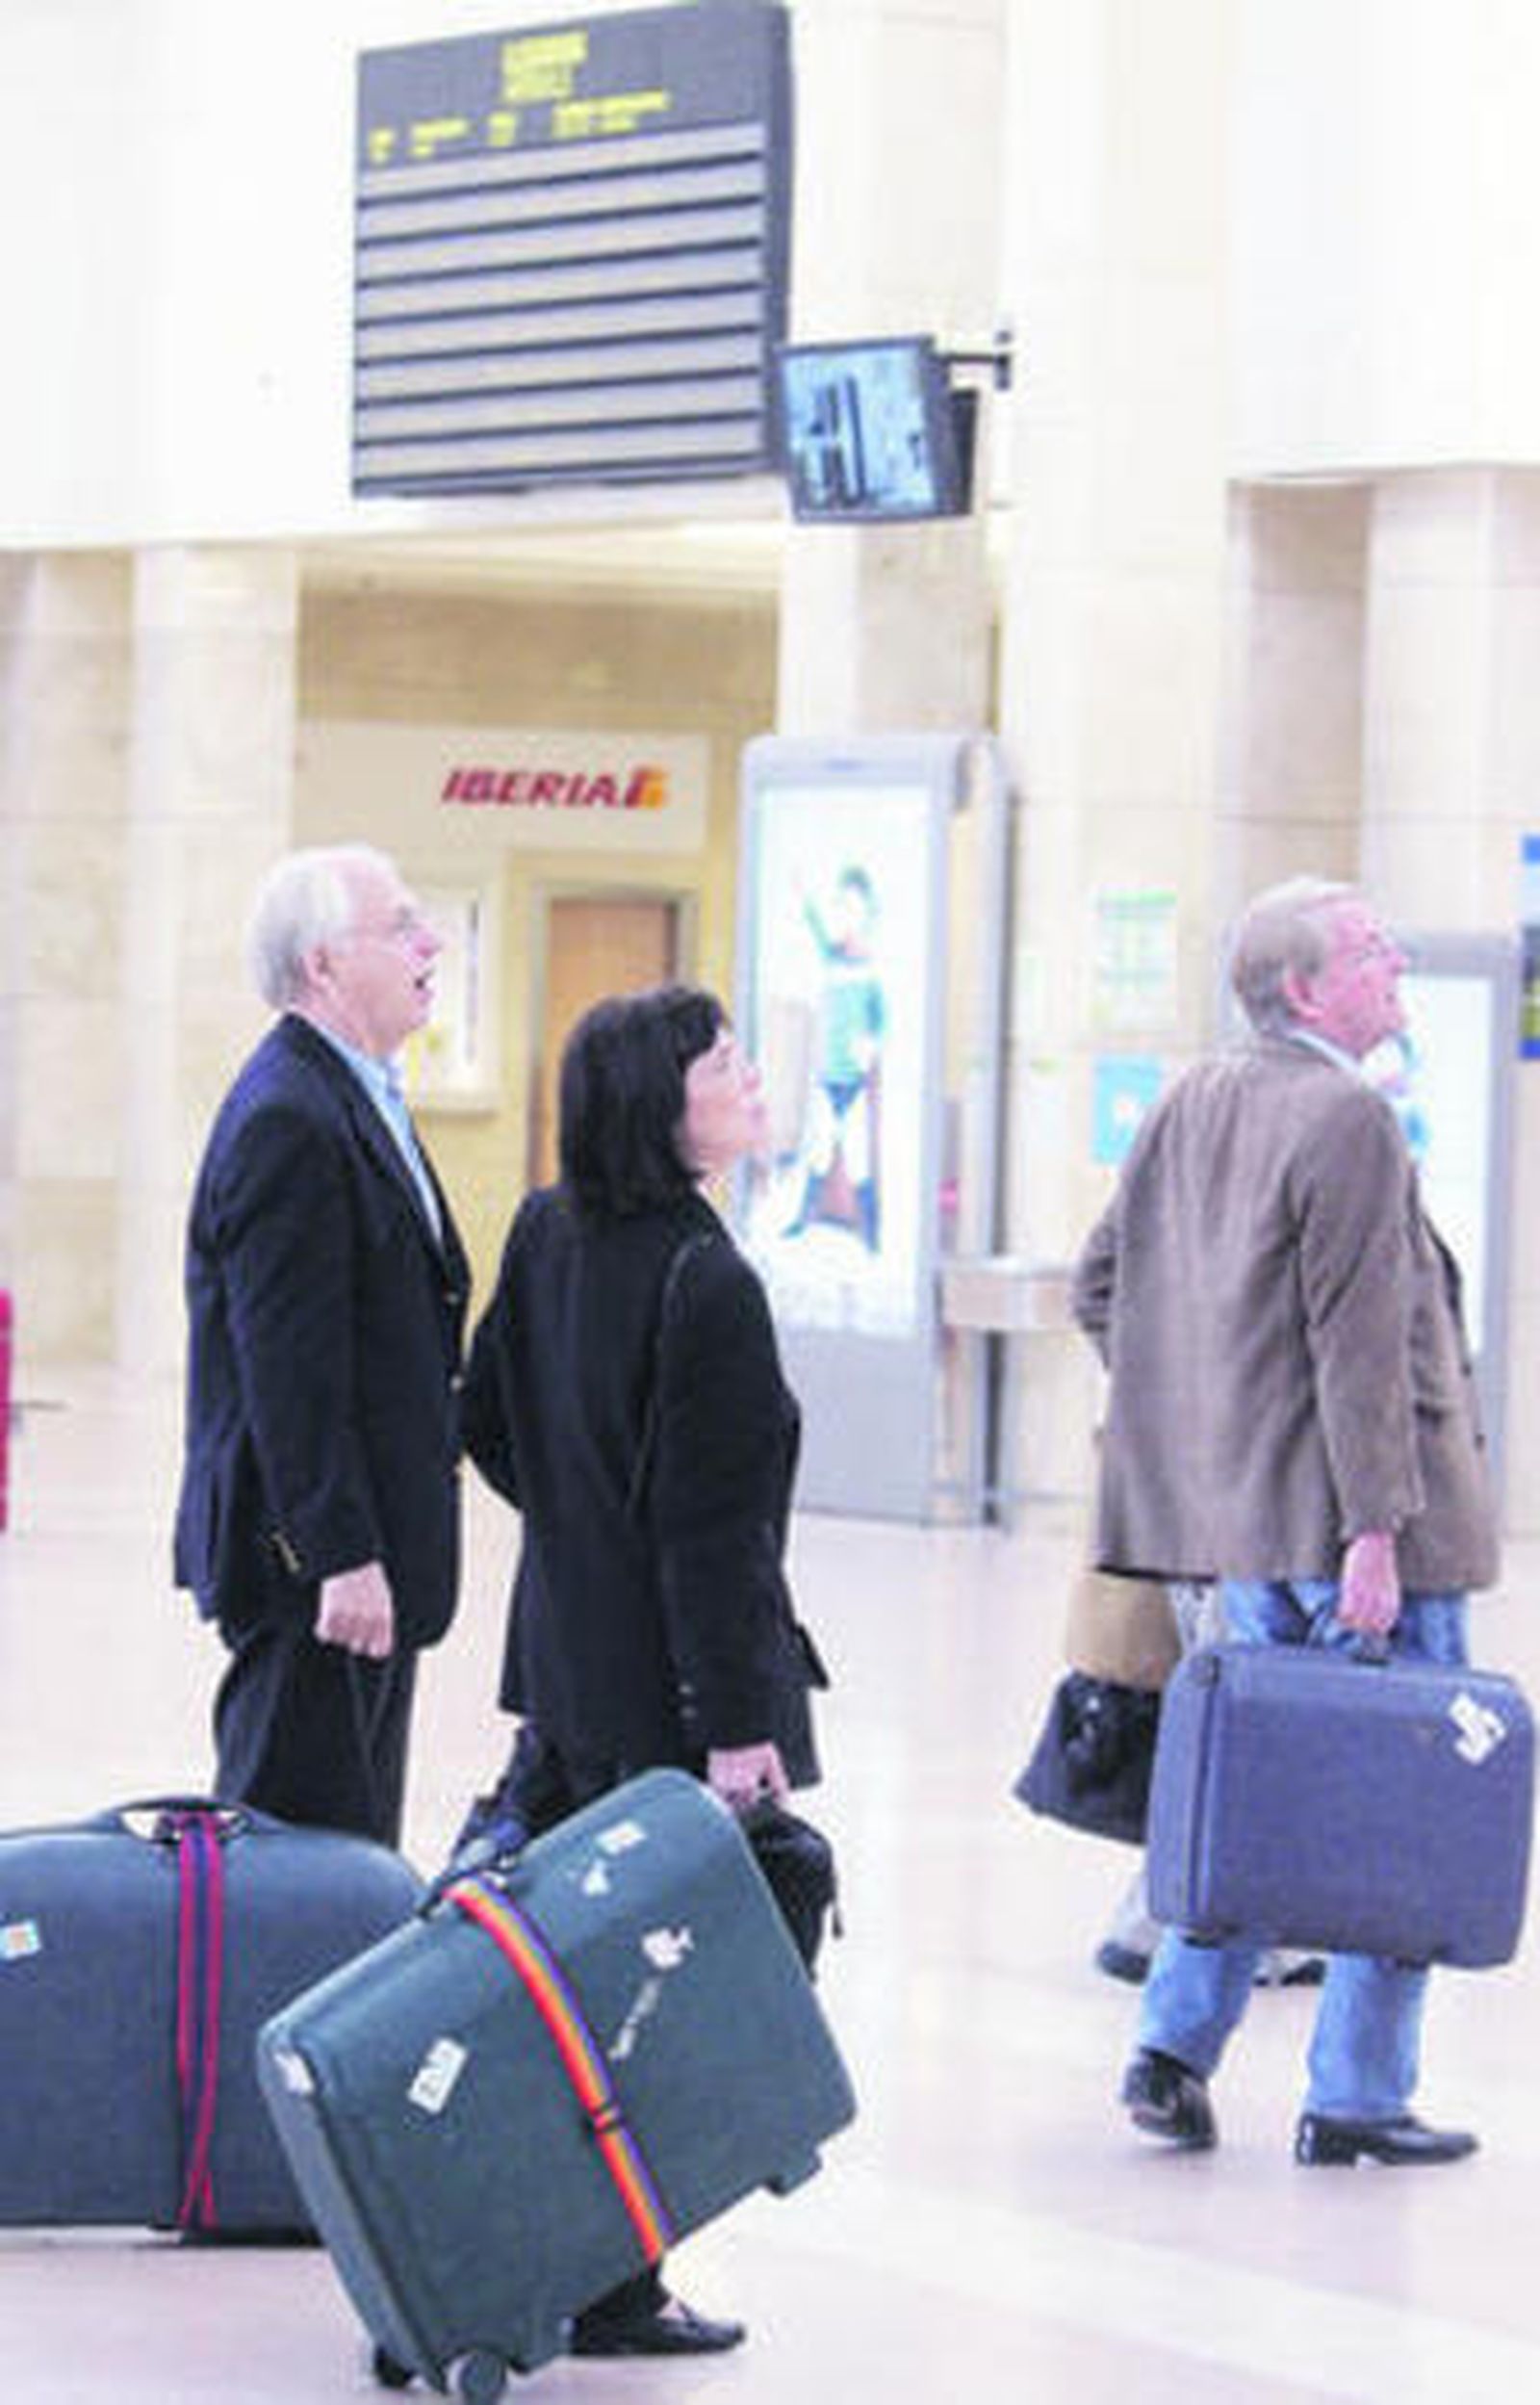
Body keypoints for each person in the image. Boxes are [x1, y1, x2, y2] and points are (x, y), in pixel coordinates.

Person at [1072, 876, 1499, 2167]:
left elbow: (1104, 1286)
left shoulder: (1193, 1100)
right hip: (1373, 1537)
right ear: (1305, 989)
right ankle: (1359, 2090)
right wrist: (1371, 1529)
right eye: (1372, 950)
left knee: (1257, 1796)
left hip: (1253, 1530)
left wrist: (1217, 1441)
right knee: (1398, 1810)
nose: (1397, 962)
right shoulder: (1349, 1116)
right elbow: (1358, 1345)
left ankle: (1172, 2044)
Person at [460, 983, 829, 2358]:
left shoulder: (548, 1230)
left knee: (560, 1979)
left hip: (565, 1671)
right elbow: (716, 1534)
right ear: (660, 1105)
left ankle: (556, 2248)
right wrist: (738, 1732)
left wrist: (576, 1524)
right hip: (676, 1704)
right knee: (649, 1997)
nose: (748, 1078)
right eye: (722, 1062)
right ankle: (617, 2280)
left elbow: (483, 1416)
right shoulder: (706, 1278)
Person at [174, 843, 469, 1849]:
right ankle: (252, 2010)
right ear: (324, 964)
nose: (429, 942)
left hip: (366, 1547)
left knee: (348, 1850)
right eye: (401, 925)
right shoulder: (289, 1116)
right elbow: (287, 1370)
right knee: (294, 1852)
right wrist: (341, 1556)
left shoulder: (356, 1091)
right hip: (316, 1567)